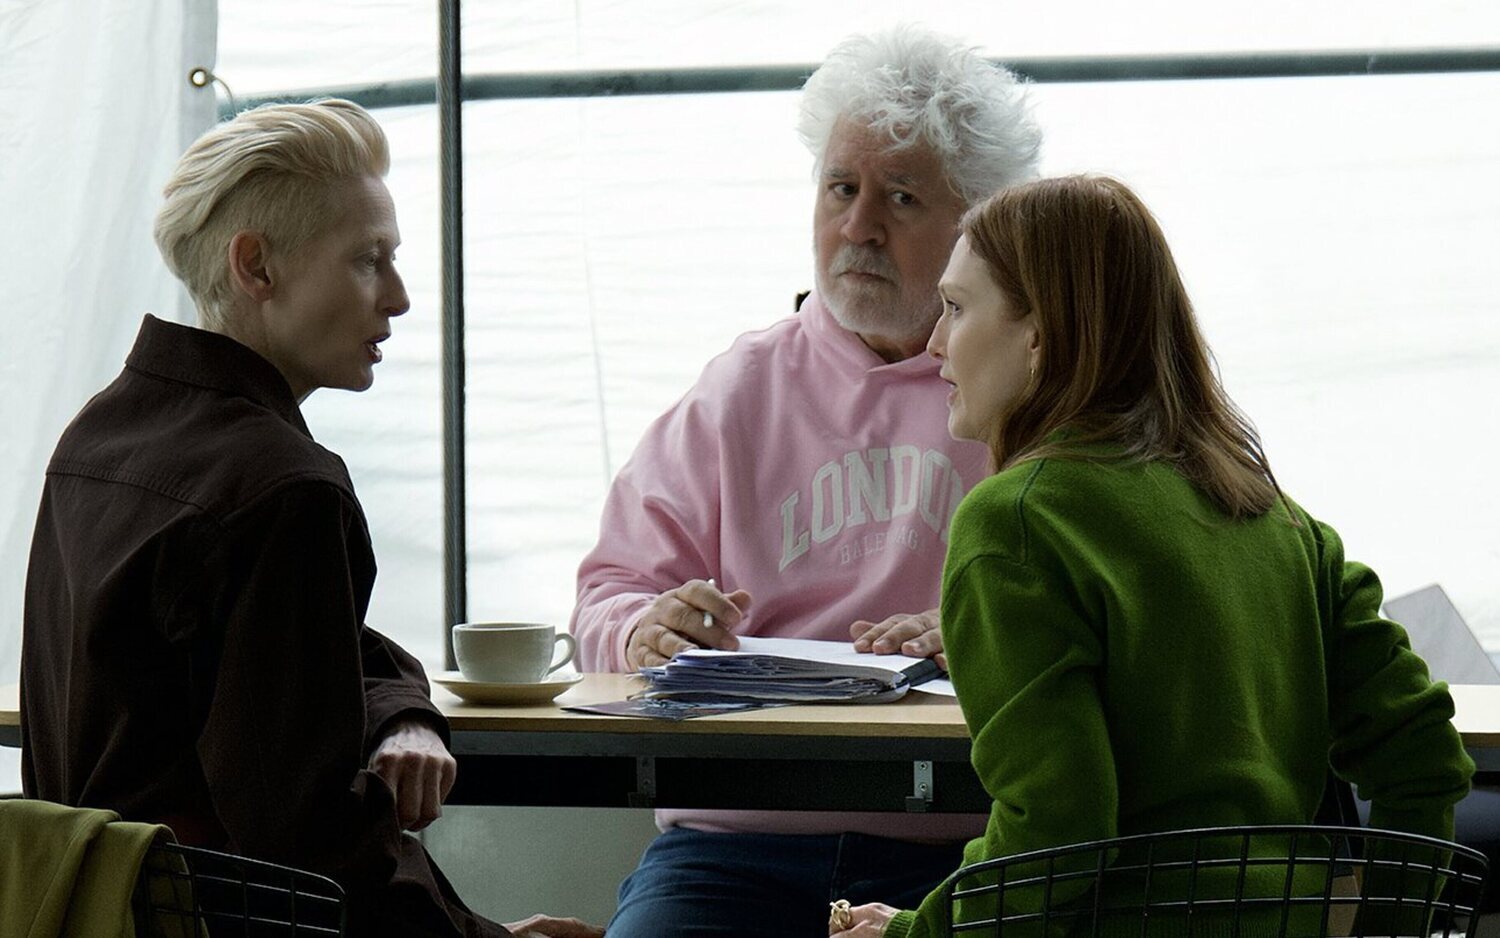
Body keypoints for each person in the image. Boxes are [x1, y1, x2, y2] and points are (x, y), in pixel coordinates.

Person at [830, 175, 1476, 937]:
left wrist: (915, 932)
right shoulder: (1278, 521)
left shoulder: (1016, 526)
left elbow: (1057, 829)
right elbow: (1424, 753)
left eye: (960, 307)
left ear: (1039, 335)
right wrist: (1385, 929)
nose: (936, 340)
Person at [20, 100, 599, 938]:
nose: (398, 298)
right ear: (256, 266)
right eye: (369, 261)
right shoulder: (283, 487)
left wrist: (400, 706)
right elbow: (310, 845)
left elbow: (288, 656)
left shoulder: (101, 436)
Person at [569, 26, 1042, 938]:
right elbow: (606, 595)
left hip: (965, 839)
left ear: (977, 224)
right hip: (732, 844)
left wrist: (994, 633)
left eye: (900, 198)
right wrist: (642, 629)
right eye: (840, 189)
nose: (857, 227)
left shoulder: (1030, 394)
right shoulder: (737, 391)